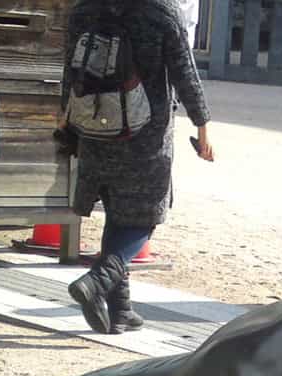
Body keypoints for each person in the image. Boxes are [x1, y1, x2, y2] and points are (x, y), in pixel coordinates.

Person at [60, 0, 214, 335]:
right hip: (145, 132)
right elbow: (184, 73)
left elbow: (69, 69)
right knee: (145, 216)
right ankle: (96, 280)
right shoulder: (160, 11)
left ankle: (120, 311)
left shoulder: (84, 9)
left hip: (93, 125)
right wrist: (202, 126)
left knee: (117, 211)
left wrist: (66, 119)